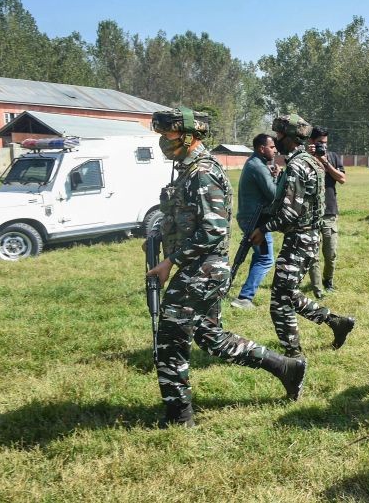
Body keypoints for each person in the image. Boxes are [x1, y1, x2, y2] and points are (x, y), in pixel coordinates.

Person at [146, 107, 306, 428]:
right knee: (211, 337)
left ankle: (179, 417)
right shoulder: (188, 170)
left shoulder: (203, 172)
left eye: (168, 135)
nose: (164, 141)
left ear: (189, 136)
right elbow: (188, 221)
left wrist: (169, 262)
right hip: (202, 268)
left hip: (201, 271)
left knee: (170, 340)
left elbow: (213, 230)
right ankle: (285, 367)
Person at [250, 113, 355, 358]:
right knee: (288, 294)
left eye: (280, 135)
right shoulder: (309, 161)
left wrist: (262, 229)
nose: (277, 140)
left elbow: (290, 214)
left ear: (290, 137)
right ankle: (336, 323)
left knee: (279, 302)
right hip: (307, 238)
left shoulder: (298, 165)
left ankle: (294, 358)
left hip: (300, 239)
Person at [230, 133, 280, 309]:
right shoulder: (258, 166)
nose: (275, 150)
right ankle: (244, 298)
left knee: (260, 256)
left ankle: (244, 295)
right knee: (266, 258)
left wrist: (273, 176)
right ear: (262, 148)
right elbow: (274, 194)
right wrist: (279, 178)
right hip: (254, 221)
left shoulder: (256, 163)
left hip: (250, 217)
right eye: (272, 147)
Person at [305, 126, 346, 299]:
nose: (323, 146)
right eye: (320, 143)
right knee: (313, 255)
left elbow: (342, 179)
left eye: (325, 143)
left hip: (329, 211)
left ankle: (328, 280)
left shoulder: (333, 157)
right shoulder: (305, 158)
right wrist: (311, 157)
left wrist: (325, 162)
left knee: (330, 253)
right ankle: (318, 289)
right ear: (311, 142)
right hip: (310, 213)